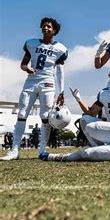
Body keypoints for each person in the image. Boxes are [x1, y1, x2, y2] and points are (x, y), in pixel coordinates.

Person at [1, 17, 67, 161]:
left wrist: (61, 92)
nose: (46, 28)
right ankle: (15, 150)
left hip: (48, 83)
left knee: (44, 116)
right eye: (44, 26)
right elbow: (23, 64)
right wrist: (27, 68)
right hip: (31, 82)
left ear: (54, 30)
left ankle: (42, 150)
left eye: (49, 26)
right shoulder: (31, 43)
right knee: (22, 113)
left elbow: (60, 72)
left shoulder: (60, 48)